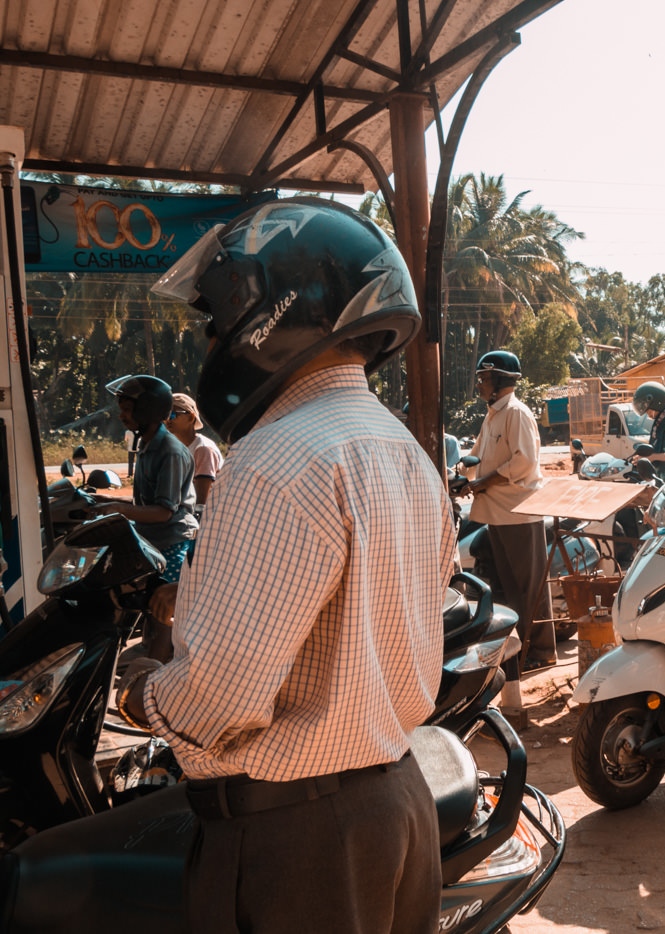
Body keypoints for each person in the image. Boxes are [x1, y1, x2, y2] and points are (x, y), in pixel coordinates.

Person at [111, 197, 451, 931]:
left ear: (270, 310)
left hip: (299, 840)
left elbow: (222, 696)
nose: (213, 333)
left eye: (219, 314)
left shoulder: (277, 460)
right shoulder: (404, 452)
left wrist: (143, 695)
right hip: (398, 800)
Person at [468, 349, 554, 673]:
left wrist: (483, 482)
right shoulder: (493, 414)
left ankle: (542, 650)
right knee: (509, 586)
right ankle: (520, 649)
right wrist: (459, 475)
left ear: (500, 379)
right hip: (497, 512)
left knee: (529, 588)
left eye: (484, 378)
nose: (480, 384)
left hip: (519, 511)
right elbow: (475, 456)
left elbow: (524, 462)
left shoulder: (516, 413)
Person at [90, 375, 197, 583]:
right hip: (150, 540)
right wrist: (105, 501)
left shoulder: (169, 452)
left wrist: (116, 509)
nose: (121, 416)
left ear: (148, 411)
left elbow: (163, 512)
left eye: (127, 410)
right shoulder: (146, 446)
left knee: (161, 606)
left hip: (172, 543)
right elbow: (145, 505)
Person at [165, 391, 223, 507]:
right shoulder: (176, 448)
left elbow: (200, 502)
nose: (168, 420)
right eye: (165, 415)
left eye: (173, 414)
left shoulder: (203, 449)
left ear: (191, 417)